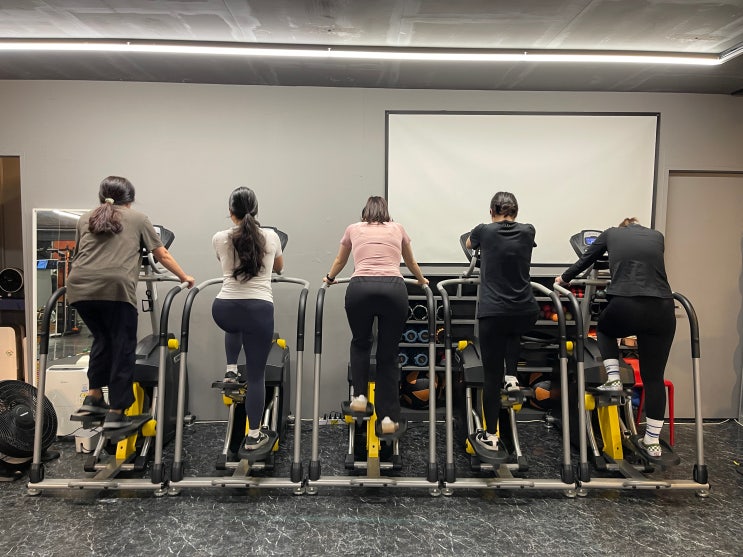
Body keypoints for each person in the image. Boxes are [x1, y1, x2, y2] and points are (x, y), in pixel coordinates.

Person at [67, 176, 195, 429]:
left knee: (103, 339)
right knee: (123, 345)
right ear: (130, 199)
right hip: (115, 288)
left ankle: (94, 397)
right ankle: (117, 410)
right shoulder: (138, 219)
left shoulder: (85, 219)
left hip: (79, 287)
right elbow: (161, 254)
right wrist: (184, 277)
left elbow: (80, 253)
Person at [556, 217, 675, 459]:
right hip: (663, 307)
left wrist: (564, 279)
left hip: (626, 303)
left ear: (622, 227)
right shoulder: (657, 236)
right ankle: (652, 441)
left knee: (604, 330)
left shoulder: (611, 233)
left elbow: (586, 259)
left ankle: (613, 379)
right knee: (654, 378)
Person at [324, 196, 428, 434]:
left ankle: (360, 398)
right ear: (386, 213)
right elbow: (410, 262)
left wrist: (329, 278)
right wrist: (422, 281)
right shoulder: (398, 228)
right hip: (394, 290)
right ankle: (388, 419)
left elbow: (340, 260)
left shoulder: (353, 228)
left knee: (361, 343)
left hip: (360, 288)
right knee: (388, 355)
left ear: (364, 214)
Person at [466, 191, 539, 452]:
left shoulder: (483, 230)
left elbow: (469, 245)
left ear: (491, 211)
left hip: (494, 312)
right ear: (516, 211)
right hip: (525, 310)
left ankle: (491, 435)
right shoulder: (528, 230)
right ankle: (512, 378)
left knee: (490, 376)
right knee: (513, 331)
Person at [212, 187, 284, 452]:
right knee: (256, 376)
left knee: (236, 324)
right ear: (256, 210)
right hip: (258, 310)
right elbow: (279, 267)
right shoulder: (271, 236)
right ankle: (254, 436)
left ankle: (231, 369)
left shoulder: (219, 238)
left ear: (230, 212)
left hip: (224, 309)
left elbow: (224, 261)